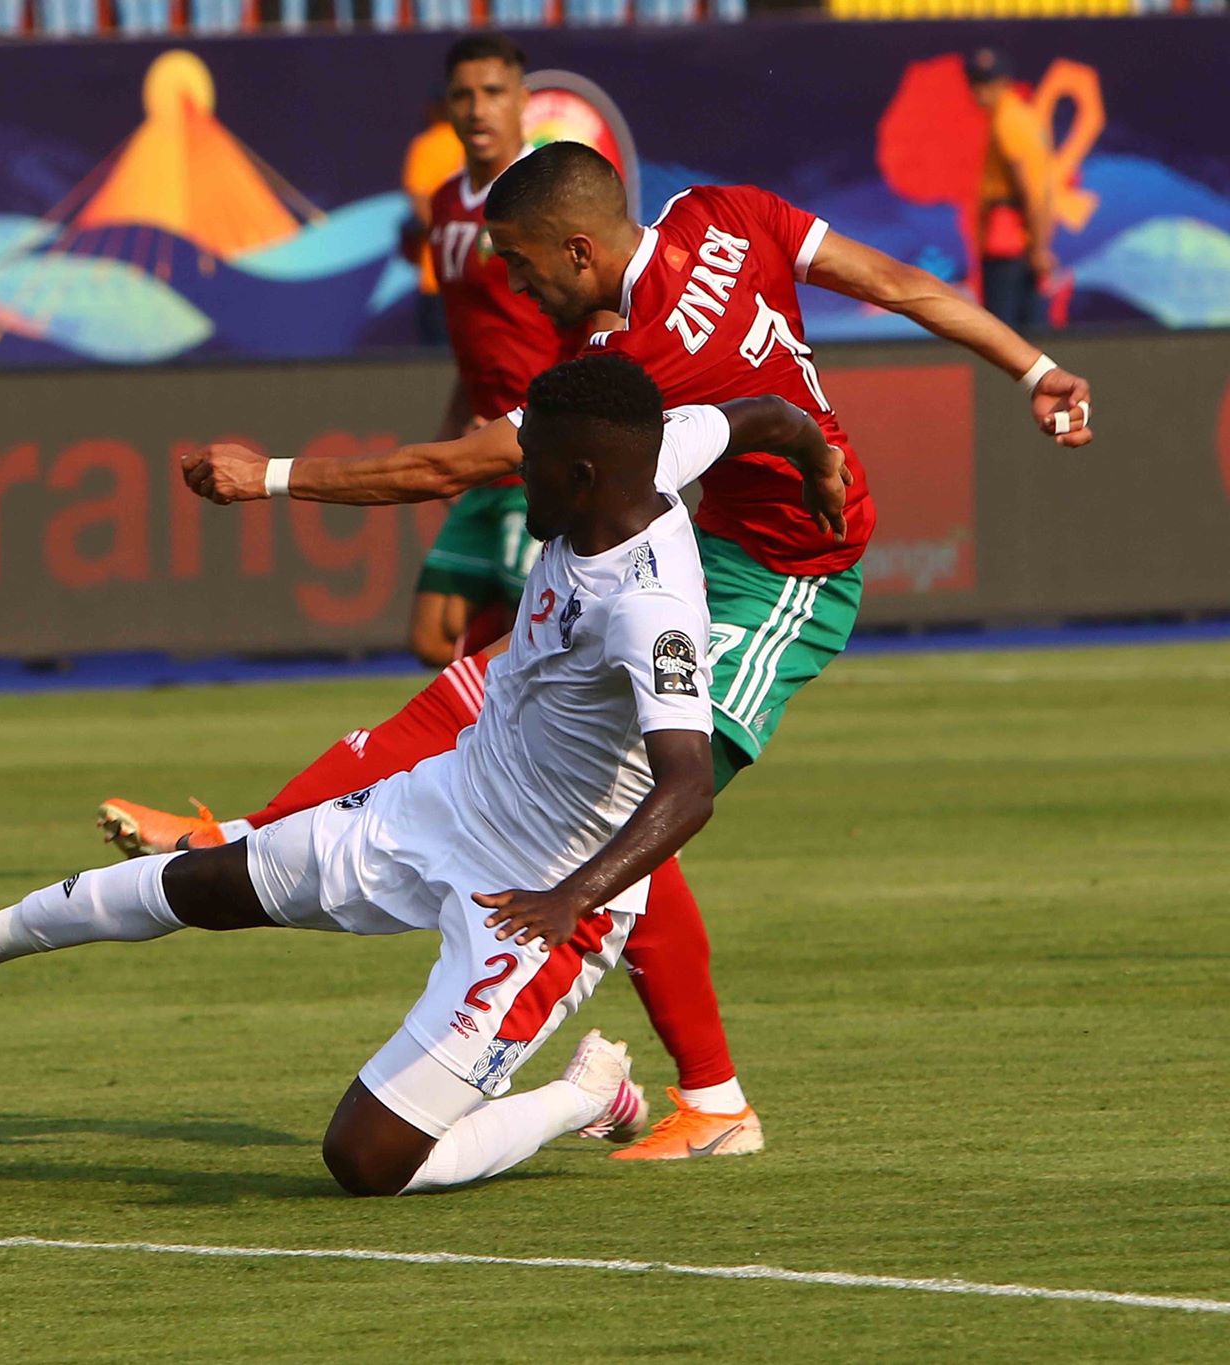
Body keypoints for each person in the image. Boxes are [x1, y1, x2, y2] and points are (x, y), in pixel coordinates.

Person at [103, 143, 1094, 1159]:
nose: (515, 285)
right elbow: (892, 281)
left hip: (788, 581)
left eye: (521, 263)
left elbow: (444, 468)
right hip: (705, 542)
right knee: (479, 693)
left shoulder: (631, 368)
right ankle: (240, 833)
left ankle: (702, 1101)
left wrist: (268, 476)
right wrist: (1035, 367)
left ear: (577, 250)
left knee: (629, 817)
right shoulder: (724, 211)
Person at [0, 358, 845, 1197]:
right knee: (210, 881)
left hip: (540, 902)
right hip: (447, 801)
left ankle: (578, 1096)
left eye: (528, 459)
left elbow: (686, 787)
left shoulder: (650, 609)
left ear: (583, 474)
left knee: (364, 1161)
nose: (512, 474)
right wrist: (819, 468)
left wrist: (570, 898)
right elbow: (767, 415)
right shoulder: (654, 449)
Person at [405, 34, 604, 667]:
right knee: (433, 635)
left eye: (492, 93)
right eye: (463, 96)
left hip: (541, 445)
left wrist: (574, 422)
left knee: (543, 630)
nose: (477, 109)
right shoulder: (445, 204)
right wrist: (450, 433)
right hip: (484, 449)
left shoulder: (551, 195)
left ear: (522, 100)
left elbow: (600, 313)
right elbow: (475, 335)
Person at [966, 48, 1055, 333]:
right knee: (1027, 331)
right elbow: (1042, 190)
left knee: (1001, 333)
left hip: (1009, 240)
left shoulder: (1008, 121)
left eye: (988, 83)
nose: (980, 91)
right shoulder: (1022, 116)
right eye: (976, 83)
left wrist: (1039, 249)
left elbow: (1030, 191)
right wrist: (1039, 245)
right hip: (1022, 240)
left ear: (1004, 82)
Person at [399, 85, 464, 349]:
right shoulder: (472, 145)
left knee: (437, 362)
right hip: (471, 274)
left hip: (437, 275)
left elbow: (420, 205)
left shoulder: (426, 145)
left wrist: (442, 233)